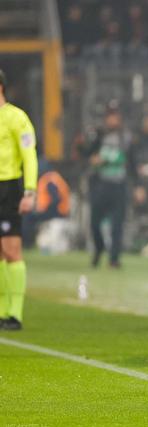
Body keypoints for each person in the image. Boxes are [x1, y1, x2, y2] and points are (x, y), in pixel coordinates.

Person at [0, 68, 38, 331]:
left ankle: (15, 313)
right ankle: (2, 310)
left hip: (9, 188)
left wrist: (30, 191)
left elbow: (29, 155)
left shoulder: (16, 117)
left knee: (11, 250)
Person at [83, 102, 136, 268]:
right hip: (100, 184)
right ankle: (99, 248)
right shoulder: (98, 135)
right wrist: (92, 159)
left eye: (116, 116)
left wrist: (138, 186)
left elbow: (133, 162)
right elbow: (86, 154)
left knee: (117, 224)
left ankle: (114, 258)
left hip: (119, 185)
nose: (113, 119)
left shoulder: (126, 137)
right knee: (94, 223)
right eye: (110, 116)